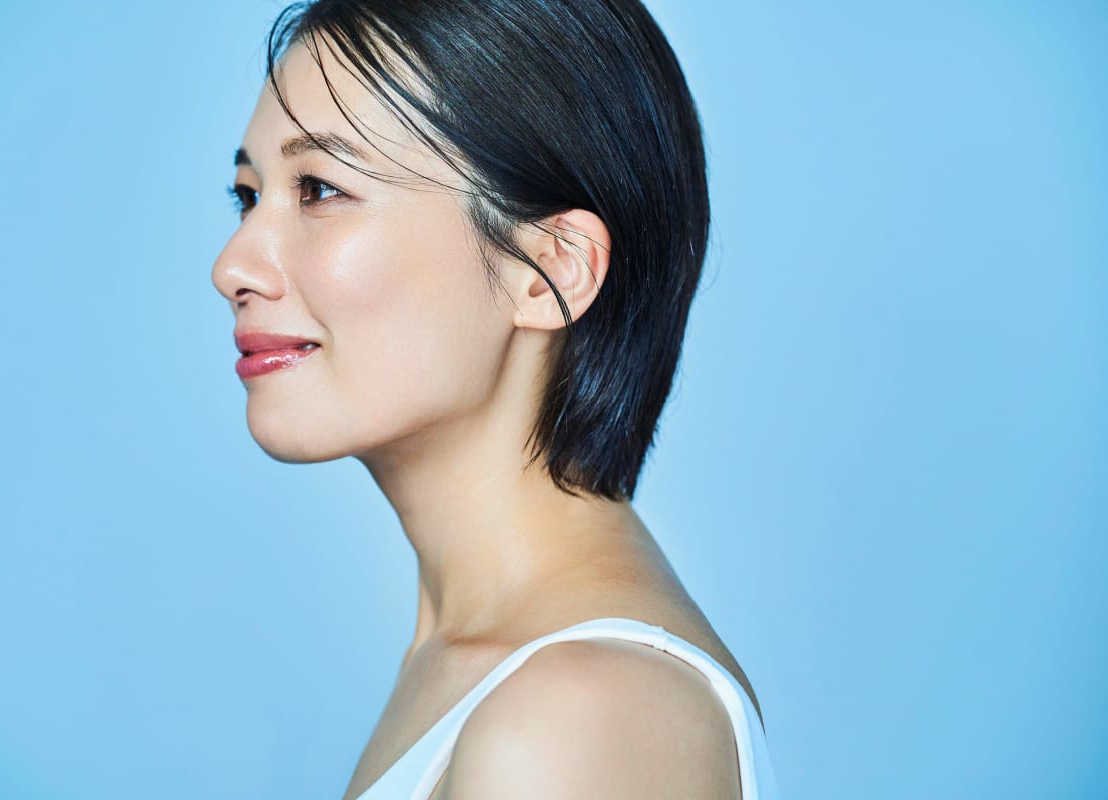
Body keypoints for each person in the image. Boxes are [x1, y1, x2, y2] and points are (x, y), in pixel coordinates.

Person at [211, 0, 780, 797]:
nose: (233, 265)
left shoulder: (577, 719)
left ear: (551, 266)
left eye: (320, 189)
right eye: (248, 195)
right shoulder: (475, 667)